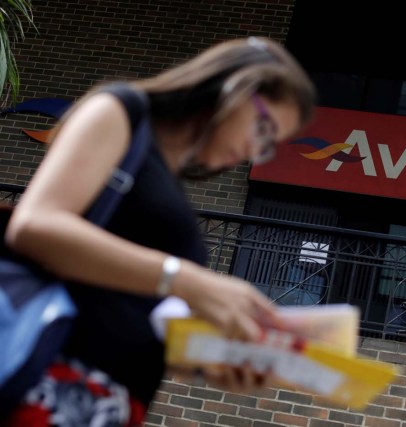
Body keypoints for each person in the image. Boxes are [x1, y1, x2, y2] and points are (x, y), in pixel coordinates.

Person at [2, 36, 316, 426]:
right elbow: (35, 225)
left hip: (109, 405)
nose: (256, 150)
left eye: (270, 146)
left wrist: (212, 360)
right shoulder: (120, 110)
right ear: (236, 88)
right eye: (264, 128)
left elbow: (137, 312)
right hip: (44, 378)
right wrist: (184, 278)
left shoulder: (173, 184)